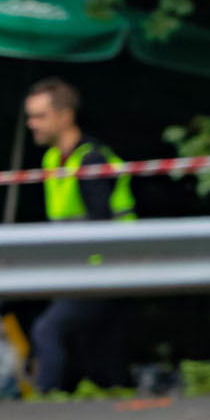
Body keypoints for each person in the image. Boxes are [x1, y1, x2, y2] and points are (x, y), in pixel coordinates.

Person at [25, 76, 135, 393]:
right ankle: (114, 394)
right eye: (30, 116)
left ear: (65, 115)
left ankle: (45, 404)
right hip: (77, 269)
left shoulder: (91, 159)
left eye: (40, 116)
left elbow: (100, 225)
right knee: (98, 351)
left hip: (103, 268)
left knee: (48, 331)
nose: (32, 124)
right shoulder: (53, 159)